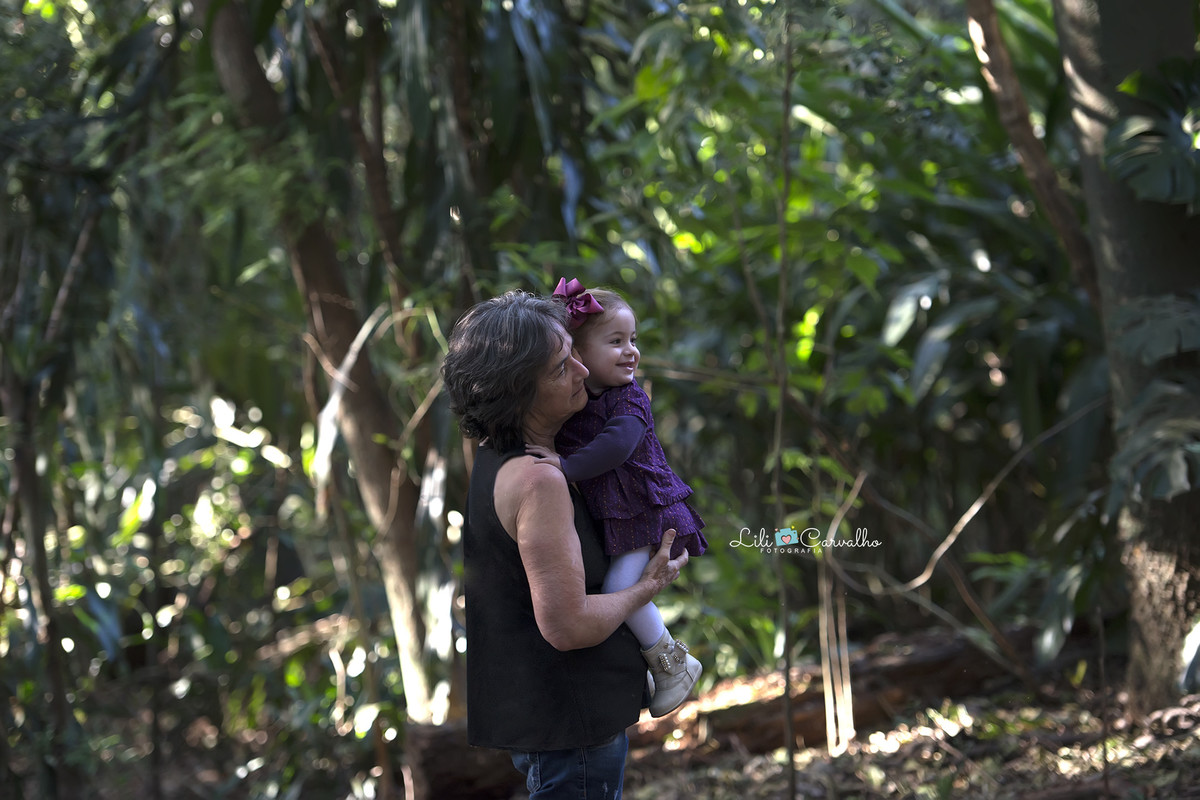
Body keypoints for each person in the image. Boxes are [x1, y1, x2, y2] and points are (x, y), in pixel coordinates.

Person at [441, 290, 690, 798]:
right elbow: (569, 626)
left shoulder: (499, 456)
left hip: (548, 716)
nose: (581, 370)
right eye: (561, 367)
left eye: (575, 352)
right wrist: (648, 586)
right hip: (570, 722)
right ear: (520, 392)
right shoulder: (540, 481)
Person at [526, 278, 706, 718]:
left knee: (619, 589)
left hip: (647, 510)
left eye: (633, 340)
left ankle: (674, 662)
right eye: (616, 341)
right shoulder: (581, 400)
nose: (631, 351)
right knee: (613, 587)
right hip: (621, 514)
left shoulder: (630, 400)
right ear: (578, 357)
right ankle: (645, 665)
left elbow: (617, 447)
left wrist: (563, 468)